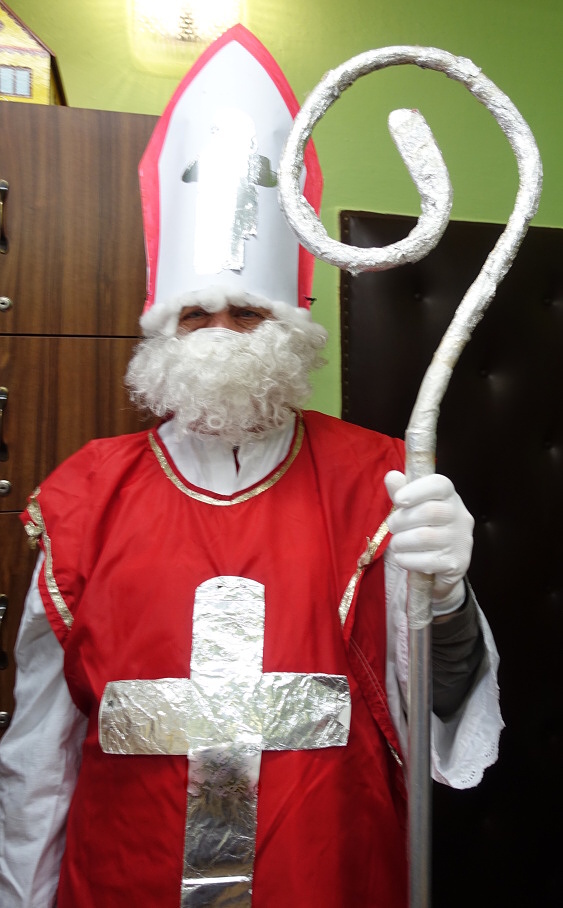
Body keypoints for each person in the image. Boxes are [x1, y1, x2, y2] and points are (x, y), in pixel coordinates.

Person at [0, 25, 502, 908]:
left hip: (328, 874)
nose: (222, 335)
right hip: (123, 878)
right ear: (162, 331)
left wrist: (449, 600)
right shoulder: (87, 496)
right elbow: (39, 754)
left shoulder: (378, 481)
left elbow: (438, 702)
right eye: (197, 316)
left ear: (291, 328)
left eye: (247, 312)